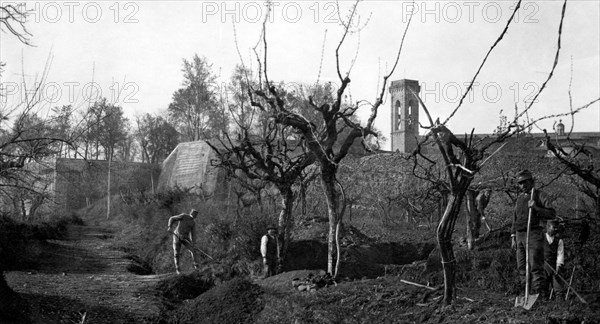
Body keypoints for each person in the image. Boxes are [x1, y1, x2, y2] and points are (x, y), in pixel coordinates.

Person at [511, 169, 556, 298]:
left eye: (525, 182)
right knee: (521, 267)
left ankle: (539, 295)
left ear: (531, 182)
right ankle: (526, 295)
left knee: (535, 266)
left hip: (534, 234)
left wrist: (536, 208)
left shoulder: (539, 195)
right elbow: (515, 218)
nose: (522, 185)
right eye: (520, 183)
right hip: (520, 235)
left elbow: (552, 214)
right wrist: (513, 236)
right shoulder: (519, 198)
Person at [167, 209, 199, 274]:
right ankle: (178, 269)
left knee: (193, 250)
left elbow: (193, 234)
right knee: (176, 253)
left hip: (185, 238)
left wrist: (193, 243)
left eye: (195, 215)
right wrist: (170, 226)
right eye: (193, 214)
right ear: (191, 213)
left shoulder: (193, 223)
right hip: (177, 236)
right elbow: (172, 218)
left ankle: (197, 267)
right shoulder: (183, 216)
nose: (194, 216)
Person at [544, 219, 565, 298]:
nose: (556, 229)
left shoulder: (559, 241)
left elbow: (560, 255)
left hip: (554, 266)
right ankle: (543, 302)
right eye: (554, 227)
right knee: (542, 288)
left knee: (558, 289)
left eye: (557, 228)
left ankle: (559, 304)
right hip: (543, 266)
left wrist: (558, 267)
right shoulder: (540, 239)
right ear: (548, 227)